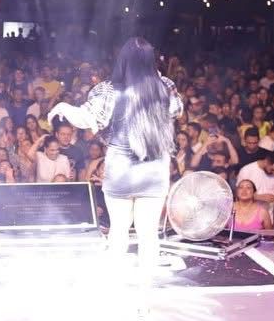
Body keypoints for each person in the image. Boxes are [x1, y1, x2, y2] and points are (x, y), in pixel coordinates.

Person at [48, 37, 183, 296]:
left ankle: (114, 290)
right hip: (154, 166)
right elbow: (176, 111)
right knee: (148, 234)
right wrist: (157, 80)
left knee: (119, 230)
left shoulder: (108, 89)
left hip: (121, 166)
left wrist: (64, 106)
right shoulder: (165, 85)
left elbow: (88, 119)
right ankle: (144, 296)